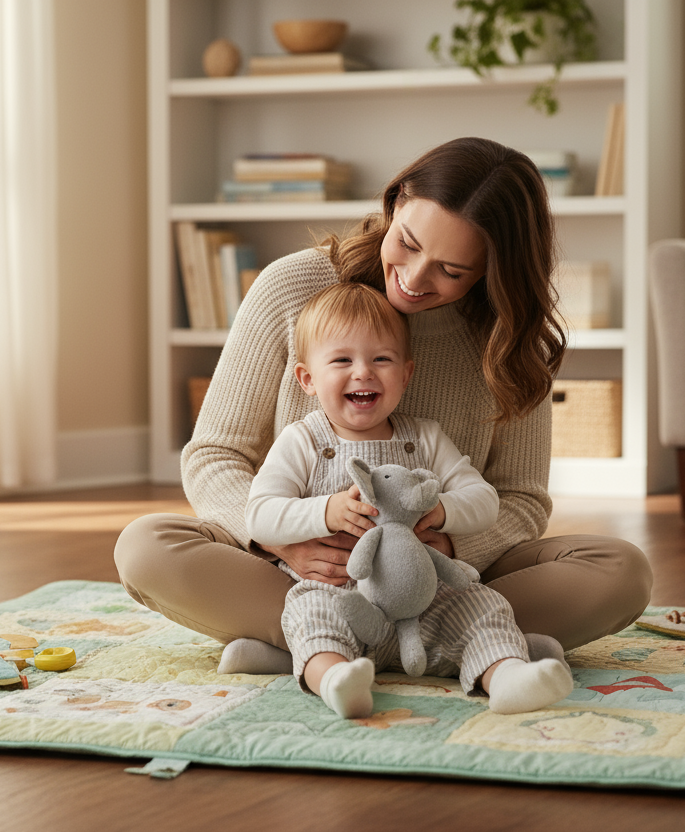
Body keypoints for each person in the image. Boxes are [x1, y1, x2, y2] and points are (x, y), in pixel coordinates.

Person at [115, 136, 652, 679]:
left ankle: (319, 647)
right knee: (145, 548)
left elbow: (521, 499)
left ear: (493, 270)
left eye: (452, 270)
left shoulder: (511, 343)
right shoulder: (291, 288)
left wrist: (441, 546)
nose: (415, 279)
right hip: (299, 573)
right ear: (395, 203)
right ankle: (461, 645)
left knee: (621, 571)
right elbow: (214, 455)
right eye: (409, 243)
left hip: (447, 580)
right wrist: (285, 539)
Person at [246, 282, 573, 718]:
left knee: (479, 605)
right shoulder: (302, 441)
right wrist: (324, 512)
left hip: (426, 596)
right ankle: (336, 681)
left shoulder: (425, 438)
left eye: (381, 359)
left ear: (406, 374)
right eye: (342, 360)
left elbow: (484, 499)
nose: (363, 372)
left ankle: (508, 677)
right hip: (338, 591)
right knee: (311, 613)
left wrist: (443, 512)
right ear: (307, 378)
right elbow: (259, 514)